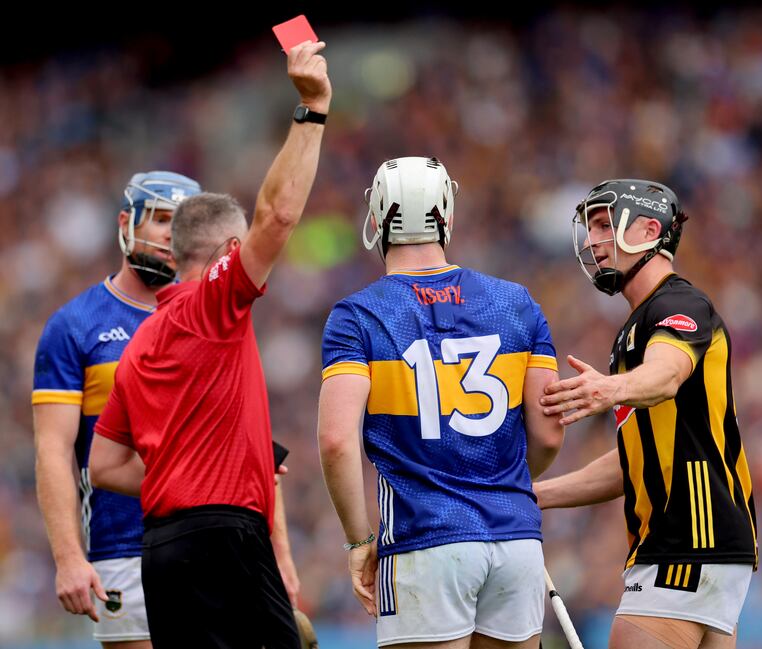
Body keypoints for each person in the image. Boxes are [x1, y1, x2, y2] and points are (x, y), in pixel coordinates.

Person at [88, 39, 331, 649]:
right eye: (241, 249)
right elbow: (276, 217)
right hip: (225, 538)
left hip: (163, 551)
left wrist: (181, 471)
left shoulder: (140, 347)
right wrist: (312, 109)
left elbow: (104, 466)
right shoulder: (212, 305)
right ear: (227, 254)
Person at [317, 156, 564, 649]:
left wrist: (360, 540)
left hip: (424, 538)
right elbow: (548, 433)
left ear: (376, 221)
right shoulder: (516, 301)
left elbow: (335, 440)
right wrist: (501, 488)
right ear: (447, 216)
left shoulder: (358, 315)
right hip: (514, 538)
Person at [535, 179, 758, 649]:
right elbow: (631, 463)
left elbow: (666, 375)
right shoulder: (633, 331)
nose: (592, 240)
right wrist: (533, 495)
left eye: (603, 224)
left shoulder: (679, 304)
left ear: (649, 230)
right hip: (706, 544)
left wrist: (608, 388)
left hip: (687, 539)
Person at [33, 170, 201, 648]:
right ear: (127, 222)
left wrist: (281, 559)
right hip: (125, 548)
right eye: (162, 219)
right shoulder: (75, 326)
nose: (172, 234)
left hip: (216, 543)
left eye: (184, 223)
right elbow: (53, 451)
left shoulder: (210, 318)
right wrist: (68, 557)